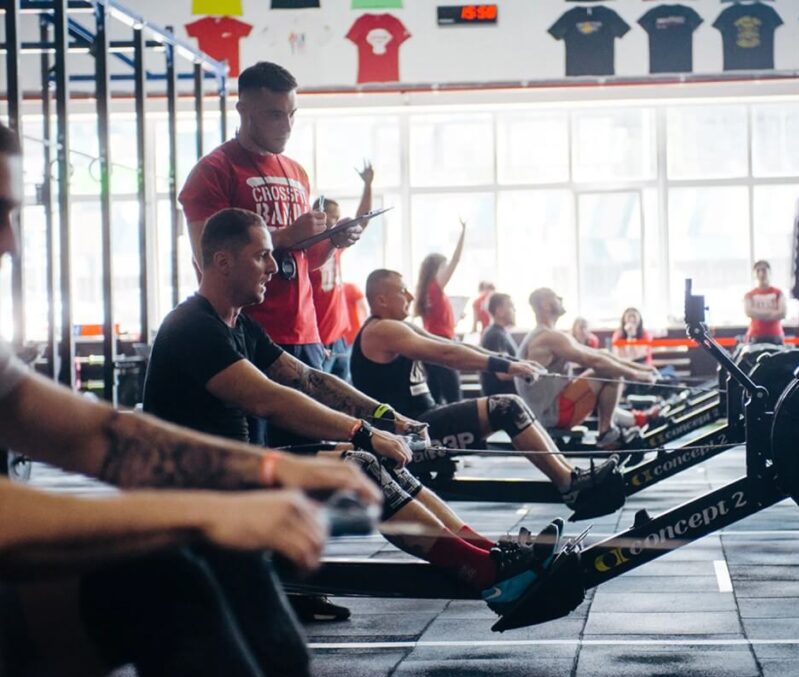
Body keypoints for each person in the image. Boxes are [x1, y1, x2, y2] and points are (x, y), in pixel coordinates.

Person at [0, 121, 380, 677]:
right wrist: (208, 511)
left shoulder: (241, 325)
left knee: (214, 564)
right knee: (177, 573)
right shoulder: (191, 327)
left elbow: (98, 435)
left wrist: (273, 467)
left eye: (12, 214)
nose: (10, 242)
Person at [142, 207, 562, 614]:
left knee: (370, 459)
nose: (274, 266)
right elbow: (269, 398)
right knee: (360, 462)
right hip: (200, 482)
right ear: (222, 262)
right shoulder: (191, 327)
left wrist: (383, 416)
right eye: (262, 255)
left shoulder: (241, 325)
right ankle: (487, 572)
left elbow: (309, 379)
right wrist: (363, 432)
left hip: (238, 469)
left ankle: (488, 552)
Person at [178, 61, 357, 448]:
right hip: (251, 333)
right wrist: (287, 234)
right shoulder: (214, 170)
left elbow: (304, 263)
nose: (287, 125)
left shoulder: (296, 171)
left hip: (304, 331)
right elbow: (207, 255)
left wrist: (332, 241)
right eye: (275, 114)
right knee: (260, 460)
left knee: (314, 455)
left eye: (291, 114)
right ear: (243, 111)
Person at [351, 270, 623, 517]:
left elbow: (445, 343)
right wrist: (506, 365)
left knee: (509, 406)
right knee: (506, 407)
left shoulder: (398, 326)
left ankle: (570, 477)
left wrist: (509, 362)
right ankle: (570, 484)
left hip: (422, 424)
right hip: (408, 439)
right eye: (402, 291)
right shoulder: (381, 330)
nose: (410, 296)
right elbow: (447, 354)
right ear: (382, 299)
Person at [518, 288, 659, 449]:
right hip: (551, 414)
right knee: (610, 373)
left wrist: (642, 369)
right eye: (557, 297)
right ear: (545, 305)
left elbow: (600, 354)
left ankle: (614, 427)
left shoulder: (550, 334)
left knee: (608, 366)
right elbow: (596, 362)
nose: (561, 298)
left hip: (551, 409)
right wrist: (637, 375)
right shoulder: (548, 337)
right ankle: (606, 434)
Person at [312, 167, 373, 383]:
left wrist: (368, 186)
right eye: (331, 218)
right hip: (319, 341)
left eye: (338, 219)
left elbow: (361, 221)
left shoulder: (336, 248)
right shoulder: (307, 252)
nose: (335, 224)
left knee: (345, 397)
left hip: (339, 339)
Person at [415, 221, 466, 405]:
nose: (447, 271)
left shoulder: (425, 290)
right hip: (442, 343)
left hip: (433, 343)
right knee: (453, 395)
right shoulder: (435, 288)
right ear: (437, 269)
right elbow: (456, 260)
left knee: (436, 393)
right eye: (443, 268)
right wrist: (463, 231)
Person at [479, 292, 518, 396]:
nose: (514, 310)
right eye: (510, 306)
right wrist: (528, 371)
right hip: (501, 398)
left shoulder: (500, 333)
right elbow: (503, 373)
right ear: (499, 311)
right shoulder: (495, 335)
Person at [743, 260, 787, 345]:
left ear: (769, 272)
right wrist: (772, 314)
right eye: (758, 271)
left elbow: (782, 313)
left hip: (775, 336)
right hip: (755, 336)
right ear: (754, 274)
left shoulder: (778, 293)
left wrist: (758, 314)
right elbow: (749, 312)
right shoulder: (749, 295)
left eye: (763, 270)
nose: (761, 274)